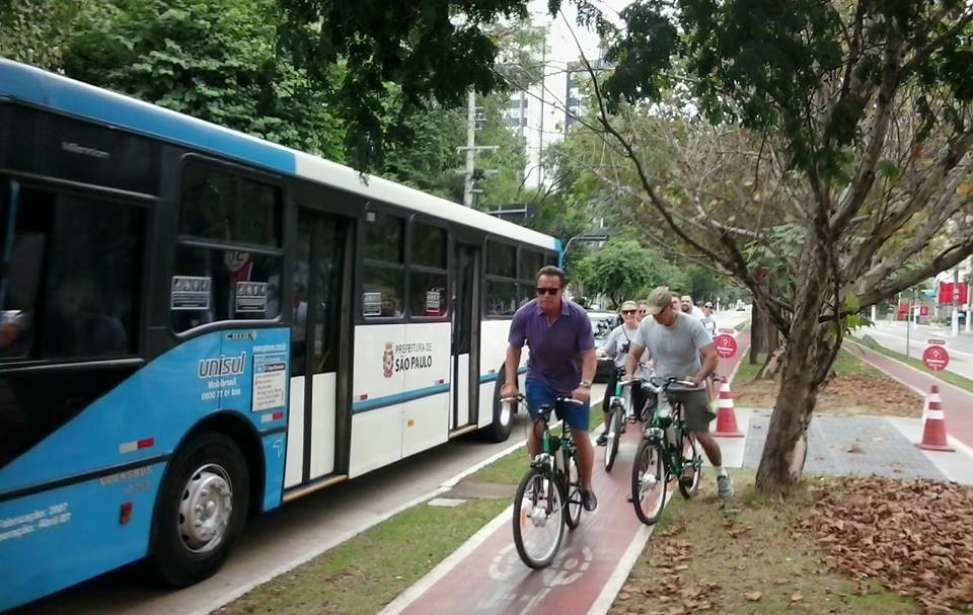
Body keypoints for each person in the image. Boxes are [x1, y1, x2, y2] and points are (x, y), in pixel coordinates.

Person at [502, 265, 599, 511]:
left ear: (562, 291)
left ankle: (586, 486)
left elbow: (589, 355)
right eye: (541, 290)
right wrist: (510, 383)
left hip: (573, 383)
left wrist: (586, 385)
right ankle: (538, 473)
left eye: (552, 291)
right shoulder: (524, 315)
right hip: (540, 379)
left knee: (579, 434)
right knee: (538, 427)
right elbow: (513, 349)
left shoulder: (578, 317)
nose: (546, 295)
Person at [625, 287, 733, 499]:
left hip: (690, 384)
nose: (655, 317)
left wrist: (699, 377)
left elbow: (711, 356)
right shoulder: (647, 325)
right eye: (652, 313)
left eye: (659, 313)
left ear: (670, 308)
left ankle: (722, 475)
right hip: (662, 385)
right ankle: (640, 481)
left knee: (701, 433)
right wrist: (630, 374)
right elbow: (634, 353)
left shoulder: (691, 325)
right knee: (651, 430)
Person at [596, 300, 641, 445]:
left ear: (638, 313)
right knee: (607, 402)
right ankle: (608, 430)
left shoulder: (643, 330)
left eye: (632, 311)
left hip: (639, 372)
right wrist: (600, 353)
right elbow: (607, 349)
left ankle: (644, 441)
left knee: (641, 407)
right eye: (625, 312)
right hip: (620, 370)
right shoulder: (617, 332)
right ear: (621, 314)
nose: (629, 315)